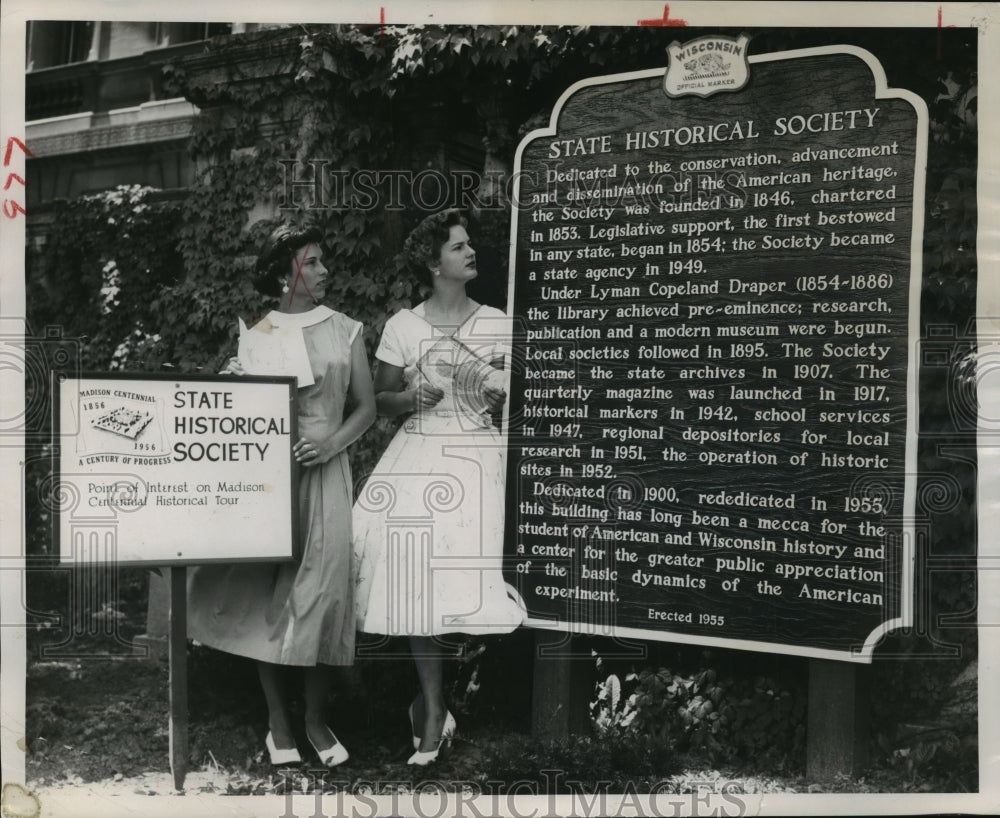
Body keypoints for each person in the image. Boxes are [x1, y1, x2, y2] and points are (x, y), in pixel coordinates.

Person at [187, 223, 375, 768]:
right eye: (312, 262)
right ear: (284, 270)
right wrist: (234, 386)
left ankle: (316, 720)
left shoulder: (346, 328)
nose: (323, 271)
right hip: (271, 483)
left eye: (321, 261)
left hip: (327, 475)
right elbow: (241, 415)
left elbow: (364, 407)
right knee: (269, 596)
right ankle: (278, 723)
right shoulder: (260, 334)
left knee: (322, 596)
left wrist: (330, 442)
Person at [352, 209, 524, 766]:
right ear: (433, 263)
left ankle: (439, 702)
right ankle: (430, 713)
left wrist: (496, 395)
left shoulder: (496, 320)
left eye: (469, 244)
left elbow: (507, 397)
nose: (470, 252)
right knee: (413, 584)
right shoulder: (404, 325)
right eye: (457, 247)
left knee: (454, 588)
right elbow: (378, 403)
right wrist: (411, 400)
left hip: (474, 459)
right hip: (418, 455)